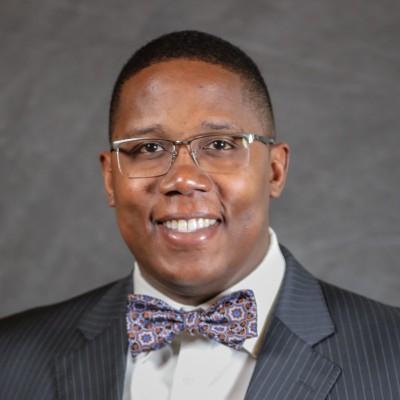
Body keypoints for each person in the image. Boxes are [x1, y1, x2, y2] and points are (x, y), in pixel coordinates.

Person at [0, 30, 399, 400]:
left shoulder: (393, 356)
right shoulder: (10, 359)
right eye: (149, 148)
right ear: (110, 180)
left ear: (275, 171)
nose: (184, 179)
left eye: (220, 144)